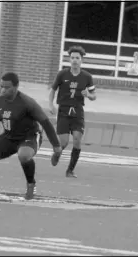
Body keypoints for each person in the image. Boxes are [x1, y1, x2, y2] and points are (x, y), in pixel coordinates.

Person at [0, 72, 62, 200]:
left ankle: (31, 184)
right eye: (1, 86)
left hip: (29, 137)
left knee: (23, 155)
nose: (3, 90)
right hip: (9, 137)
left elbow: (45, 123)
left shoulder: (27, 103)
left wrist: (56, 146)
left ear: (16, 87)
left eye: (7, 87)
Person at [48, 45, 97, 178]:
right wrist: (51, 105)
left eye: (77, 58)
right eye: (72, 58)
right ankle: (57, 153)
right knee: (63, 142)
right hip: (63, 111)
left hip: (77, 112)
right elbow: (52, 90)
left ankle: (70, 170)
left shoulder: (87, 77)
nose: (75, 60)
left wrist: (88, 95)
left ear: (81, 60)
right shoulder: (62, 74)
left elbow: (94, 96)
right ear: (69, 59)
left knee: (77, 139)